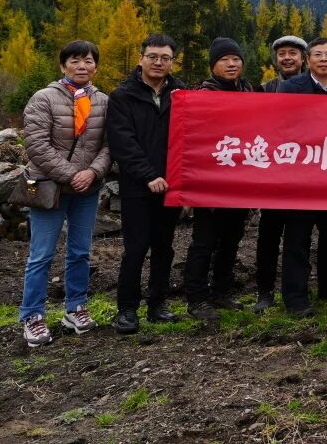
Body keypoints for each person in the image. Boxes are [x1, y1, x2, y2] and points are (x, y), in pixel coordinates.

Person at [18, 40, 111, 347]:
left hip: (87, 188)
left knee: (81, 251)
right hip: (50, 187)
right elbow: (37, 146)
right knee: (41, 254)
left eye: (88, 61)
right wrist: (73, 175)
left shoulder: (104, 102)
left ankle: (76, 307)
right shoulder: (44, 98)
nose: (82, 66)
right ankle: (32, 314)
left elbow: (109, 145)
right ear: (63, 66)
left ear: (96, 66)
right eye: (75, 61)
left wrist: (93, 172)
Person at [109, 34, 187, 336]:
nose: (158, 62)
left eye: (165, 58)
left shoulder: (180, 93)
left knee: (164, 248)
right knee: (136, 248)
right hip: (138, 187)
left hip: (172, 186)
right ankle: (127, 309)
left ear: (172, 62)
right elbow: (122, 142)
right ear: (141, 58)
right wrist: (148, 175)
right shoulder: (123, 96)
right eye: (153, 56)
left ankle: (158, 304)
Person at [277, 37, 327, 316]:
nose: (323, 59)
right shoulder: (290, 88)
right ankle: (295, 297)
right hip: (300, 177)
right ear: (308, 60)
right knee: (297, 238)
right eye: (318, 54)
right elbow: (281, 126)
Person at [183, 37, 258, 322]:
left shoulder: (250, 92)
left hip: (241, 181)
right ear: (213, 65)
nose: (231, 64)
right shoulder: (201, 96)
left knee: (231, 240)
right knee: (204, 242)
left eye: (236, 59)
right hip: (210, 182)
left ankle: (222, 291)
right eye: (224, 59)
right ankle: (197, 297)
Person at [253, 35, 308, 312]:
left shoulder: (312, 89)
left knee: (299, 238)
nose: (287, 58)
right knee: (268, 237)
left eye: (293, 53)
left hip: (304, 177)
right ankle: (264, 291)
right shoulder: (264, 90)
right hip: (272, 176)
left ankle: (297, 291)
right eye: (282, 53)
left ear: (302, 58)